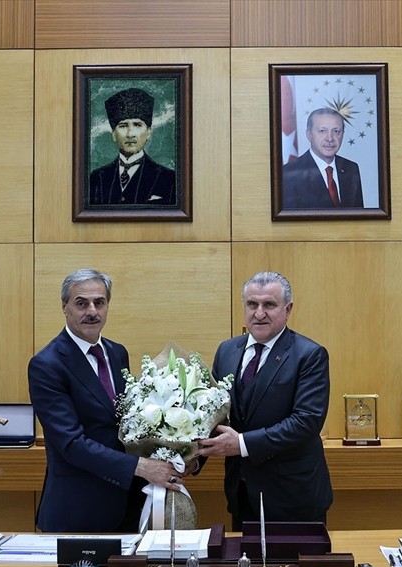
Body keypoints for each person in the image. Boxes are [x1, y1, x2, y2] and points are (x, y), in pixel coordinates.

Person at [28, 269, 183, 533]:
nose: (92, 311)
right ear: (64, 307)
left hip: (128, 504)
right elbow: (71, 443)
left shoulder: (117, 352)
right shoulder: (47, 364)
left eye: (99, 302)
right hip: (78, 509)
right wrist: (141, 467)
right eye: (81, 303)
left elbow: (126, 423)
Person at [198, 271, 333, 530]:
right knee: (245, 557)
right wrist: (189, 457)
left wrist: (242, 443)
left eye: (269, 304)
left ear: (288, 309)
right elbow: (213, 414)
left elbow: (306, 422)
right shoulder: (226, 351)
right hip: (241, 493)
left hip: (294, 497)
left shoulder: (310, 355)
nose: (259, 313)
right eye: (252, 304)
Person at [88, 87, 177, 206]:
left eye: (137, 125)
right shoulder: (96, 178)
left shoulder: (169, 179)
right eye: (123, 126)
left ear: (148, 132)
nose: (130, 134)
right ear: (113, 134)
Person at [280, 108, 364, 209]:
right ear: (309, 135)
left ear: (342, 134)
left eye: (336, 131)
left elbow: (358, 216)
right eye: (322, 131)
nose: (330, 138)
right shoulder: (290, 173)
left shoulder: (351, 168)